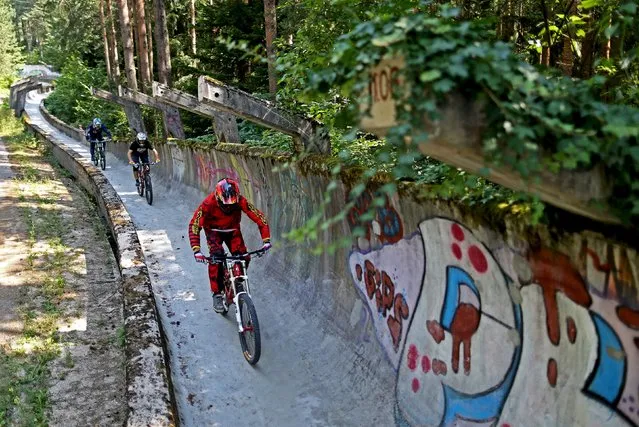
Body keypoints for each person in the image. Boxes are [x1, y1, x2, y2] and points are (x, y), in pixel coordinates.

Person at [188, 177, 271, 313]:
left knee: (244, 257)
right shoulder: (208, 203)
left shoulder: (240, 200)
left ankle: (236, 281)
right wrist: (196, 249)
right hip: (213, 231)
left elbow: (259, 217)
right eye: (225, 204)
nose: (229, 207)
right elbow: (195, 225)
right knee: (216, 258)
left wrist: (266, 240)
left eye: (232, 205)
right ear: (218, 197)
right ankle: (217, 294)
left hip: (232, 230)